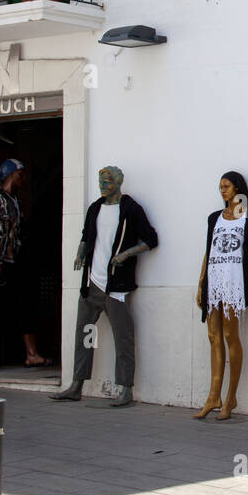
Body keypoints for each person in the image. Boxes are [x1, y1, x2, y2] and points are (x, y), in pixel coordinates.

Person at [51, 166, 158, 407]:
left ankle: (125, 388)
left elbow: (151, 239)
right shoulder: (95, 208)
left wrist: (126, 254)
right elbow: (85, 236)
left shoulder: (130, 209)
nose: (102, 185)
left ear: (119, 182)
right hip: (91, 283)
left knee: (123, 337)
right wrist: (80, 255)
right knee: (85, 334)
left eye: (107, 181)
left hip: (116, 286)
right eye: (100, 180)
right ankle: (77, 384)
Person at [194, 171, 248, 420]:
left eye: (227, 186)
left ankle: (231, 397)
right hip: (214, 280)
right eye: (220, 186)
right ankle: (214, 395)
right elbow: (207, 251)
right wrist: (201, 282)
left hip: (235, 281)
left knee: (230, 334)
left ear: (238, 189)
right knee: (213, 336)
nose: (222, 190)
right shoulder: (214, 218)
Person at [0, 159, 49, 369]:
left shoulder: (16, 202)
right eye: (20, 174)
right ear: (11, 175)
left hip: (15, 261)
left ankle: (31, 353)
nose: (23, 179)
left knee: (25, 305)